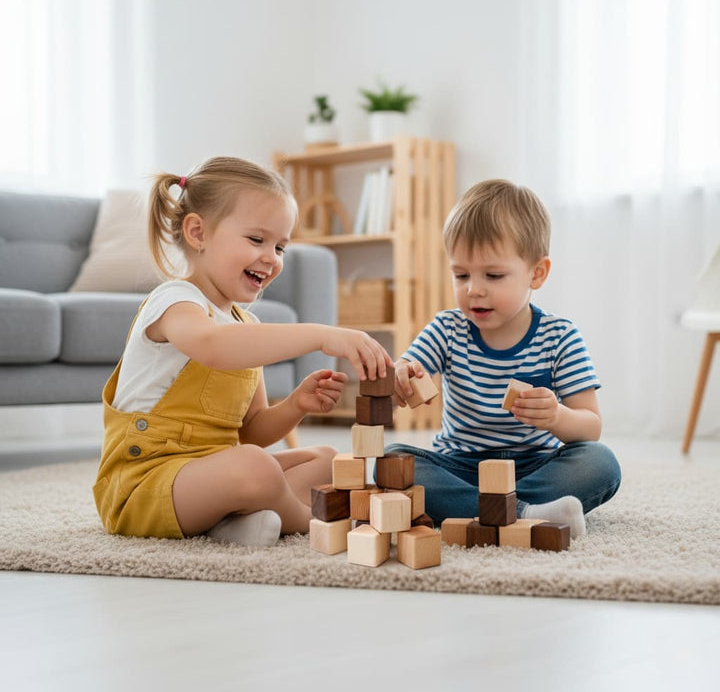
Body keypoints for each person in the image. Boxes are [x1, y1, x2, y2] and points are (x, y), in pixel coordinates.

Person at [93, 156, 392, 547]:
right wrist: (320, 335)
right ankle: (311, 521)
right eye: (257, 240)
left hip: (214, 475)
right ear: (198, 233)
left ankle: (234, 524)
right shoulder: (174, 302)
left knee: (327, 461)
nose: (272, 257)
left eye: (281, 246)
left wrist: (296, 405)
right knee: (255, 469)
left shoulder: (244, 326)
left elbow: (249, 432)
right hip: (145, 484)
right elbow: (214, 347)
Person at [388, 179, 621, 538]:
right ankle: (524, 513)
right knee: (390, 461)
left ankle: (485, 511)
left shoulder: (559, 336)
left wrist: (556, 416)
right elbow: (405, 368)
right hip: (461, 466)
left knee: (600, 462)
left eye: (493, 275)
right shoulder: (448, 328)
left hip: (533, 465)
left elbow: (590, 426)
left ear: (537, 273)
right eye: (461, 274)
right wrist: (401, 374)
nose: (474, 289)